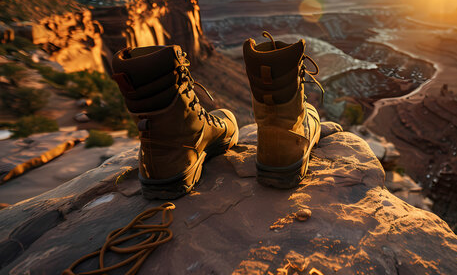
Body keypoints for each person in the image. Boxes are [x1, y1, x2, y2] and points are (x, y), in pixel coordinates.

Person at [111, 32, 322, 199]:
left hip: (154, 160)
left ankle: (163, 160)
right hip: (284, 148)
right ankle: (284, 145)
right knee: (237, 116)